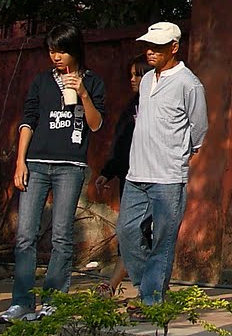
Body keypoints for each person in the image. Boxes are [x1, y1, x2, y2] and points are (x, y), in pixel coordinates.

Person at [0, 24, 107, 323]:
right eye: (51, 51)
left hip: (70, 166)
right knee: (25, 235)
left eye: (61, 51)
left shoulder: (93, 82)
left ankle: (53, 301)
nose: (56, 57)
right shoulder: (41, 81)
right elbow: (28, 121)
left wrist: (82, 92)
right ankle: (21, 302)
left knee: (61, 236)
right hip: (36, 163)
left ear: (75, 50)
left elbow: (96, 124)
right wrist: (20, 162)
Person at [118, 22, 206, 310]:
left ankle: (151, 301)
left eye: (158, 46)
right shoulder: (146, 80)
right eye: (148, 46)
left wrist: (180, 154)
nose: (150, 51)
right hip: (136, 173)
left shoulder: (189, 84)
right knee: (127, 233)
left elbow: (198, 127)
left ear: (174, 47)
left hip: (168, 176)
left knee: (162, 241)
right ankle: (148, 286)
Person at [95, 55, 148, 296]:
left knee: (143, 233)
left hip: (154, 177)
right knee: (128, 231)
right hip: (130, 176)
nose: (133, 80)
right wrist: (108, 172)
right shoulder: (131, 107)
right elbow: (121, 144)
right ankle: (114, 285)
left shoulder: (158, 104)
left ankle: (145, 289)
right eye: (131, 75)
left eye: (138, 75)